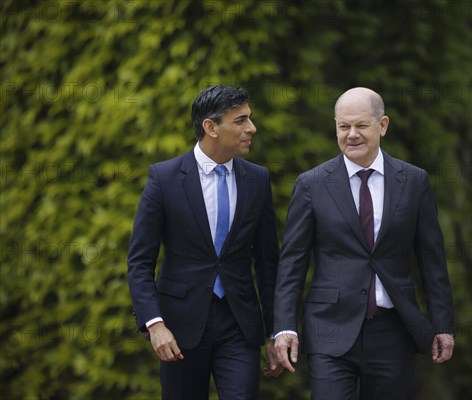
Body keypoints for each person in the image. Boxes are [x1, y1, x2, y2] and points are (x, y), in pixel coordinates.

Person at [273, 87, 455, 399]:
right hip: (329, 329)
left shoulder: (413, 181)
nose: (352, 135)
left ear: (382, 125)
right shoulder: (311, 184)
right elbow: (292, 262)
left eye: (361, 126)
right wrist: (285, 327)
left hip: (393, 330)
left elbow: (431, 259)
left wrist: (443, 324)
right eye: (343, 127)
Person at [128, 85, 282, 400]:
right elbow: (140, 261)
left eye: (249, 119)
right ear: (210, 127)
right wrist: (154, 324)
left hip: (239, 324)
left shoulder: (258, 179)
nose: (251, 128)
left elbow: (268, 262)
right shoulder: (164, 177)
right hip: (179, 328)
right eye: (240, 121)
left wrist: (275, 330)